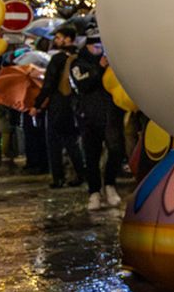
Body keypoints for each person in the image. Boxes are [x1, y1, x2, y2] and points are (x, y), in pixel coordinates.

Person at [70, 34, 126, 210]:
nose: (99, 50)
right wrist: (99, 69)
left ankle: (110, 184)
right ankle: (94, 192)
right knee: (92, 155)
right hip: (89, 116)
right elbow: (83, 84)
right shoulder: (78, 64)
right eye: (95, 47)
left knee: (116, 149)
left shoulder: (113, 63)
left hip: (111, 114)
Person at [35, 24, 85, 189]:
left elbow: (48, 85)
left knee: (54, 143)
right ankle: (81, 173)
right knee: (72, 142)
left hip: (58, 104)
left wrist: (37, 104)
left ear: (67, 39)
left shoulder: (57, 59)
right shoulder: (81, 56)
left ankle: (58, 177)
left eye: (58, 37)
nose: (55, 40)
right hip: (76, 105)